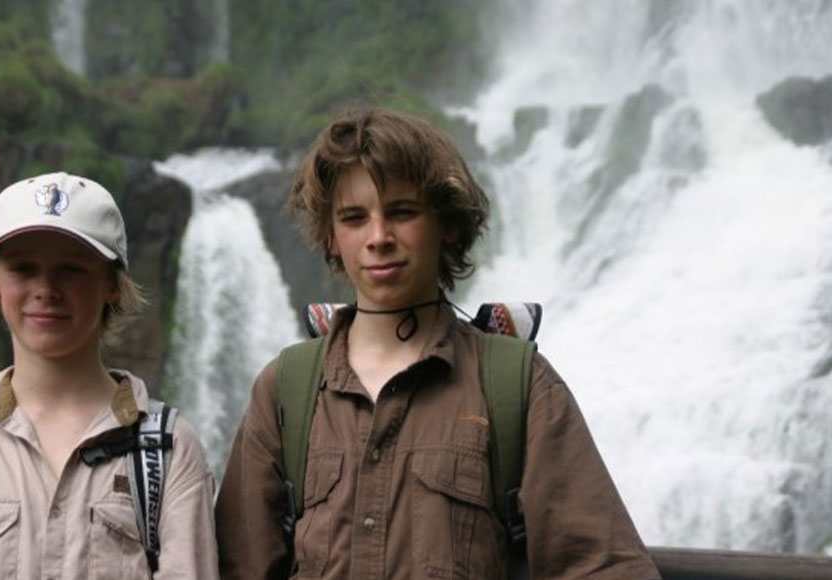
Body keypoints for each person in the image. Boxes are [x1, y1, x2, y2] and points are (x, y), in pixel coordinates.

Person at [215, 108, 661, 579]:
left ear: (446, 223)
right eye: (354, 218)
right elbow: (236, 568)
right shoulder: (286, 390)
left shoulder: (518, 386)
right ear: (330, 238)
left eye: (402, 212)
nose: (379, 237)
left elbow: (604, 566)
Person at [0, 172, 219, 579]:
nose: (46, 288)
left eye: (71, 269)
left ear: (112, 284)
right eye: (23, 269)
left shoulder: (167, 453)